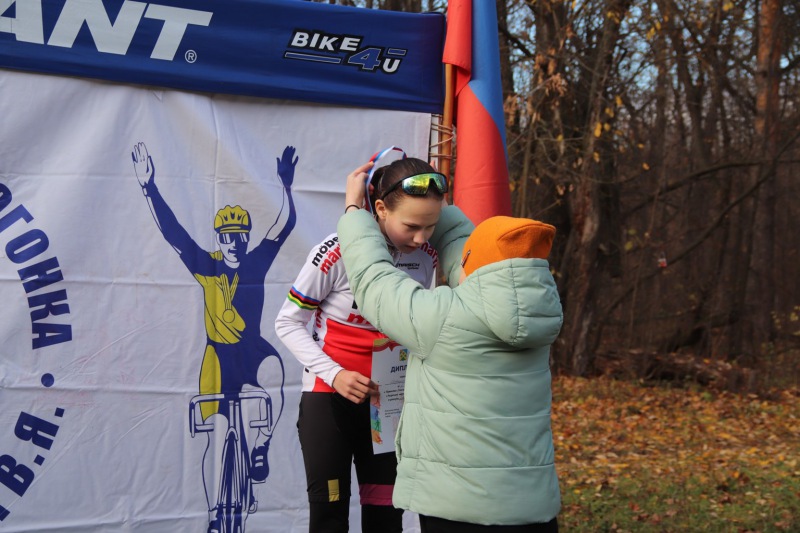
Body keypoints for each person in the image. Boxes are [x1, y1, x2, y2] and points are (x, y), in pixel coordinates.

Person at [335, 162, 563, 533]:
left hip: (458, 510)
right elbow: (472, 262)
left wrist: (353, 212)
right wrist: (434, 206)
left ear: (478, 267)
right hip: (534, 509)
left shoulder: (443, 318)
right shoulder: (540, 314)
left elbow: (374, 282)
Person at [274, 151, 451, 533]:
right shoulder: (337, 251)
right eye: (411, 226)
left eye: (431, 226)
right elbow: (287, 322)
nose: (421, 238)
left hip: (387, 406)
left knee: (386, 521)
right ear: (381, 209)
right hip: (329, 399)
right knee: (329, 519)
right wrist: (335, 374)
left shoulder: (426, 256)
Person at [131, 142, 297, 533]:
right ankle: (212, 516)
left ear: (247, 237)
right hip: (217, 359)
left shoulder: (257, 261)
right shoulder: (206, 264)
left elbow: (284, 227)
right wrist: (149, 188)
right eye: (226, 236)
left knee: (276, 374)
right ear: (219, 239)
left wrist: (286, 188)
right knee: (215, 441)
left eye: (240, 236)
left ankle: (260, 447)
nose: (234, 243)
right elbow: (173, 233)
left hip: (252, 352)